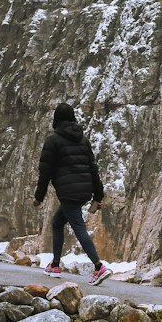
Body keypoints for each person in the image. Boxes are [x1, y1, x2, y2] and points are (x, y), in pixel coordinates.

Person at [33, 102, 110, 284]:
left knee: (78, 227)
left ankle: (99, 267)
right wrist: (98, 196)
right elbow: (93, 169)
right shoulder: (83, 140)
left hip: (68, 192)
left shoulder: (53, 141)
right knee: (57, 222)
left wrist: (38, 197)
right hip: (85, 191)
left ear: (56, 119)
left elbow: (45, 171)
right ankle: (55, 264)